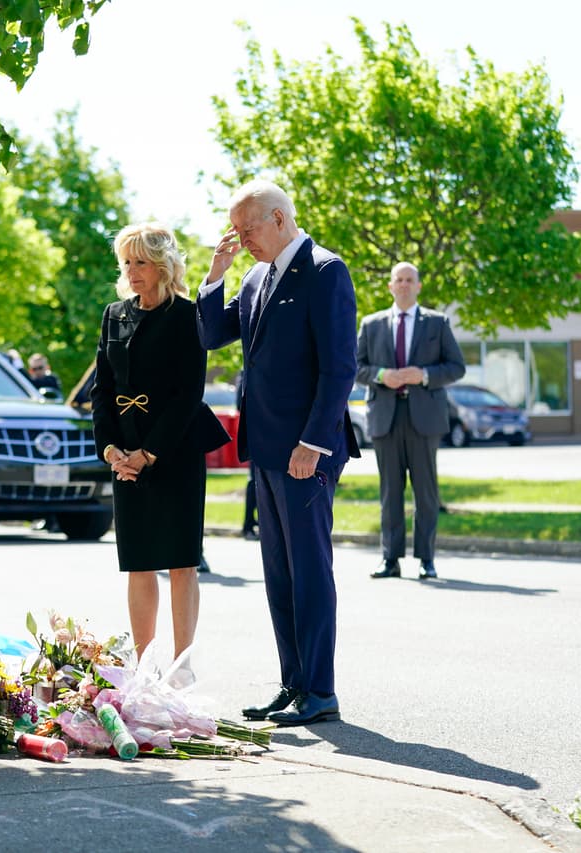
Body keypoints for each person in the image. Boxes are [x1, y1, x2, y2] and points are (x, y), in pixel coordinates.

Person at [197, 180, 358, 727]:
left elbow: (340, 368)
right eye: (236, 233)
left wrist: (313, 442)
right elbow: (211, 333)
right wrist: (215, 276)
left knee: (310, 571)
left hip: (306, 450)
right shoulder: (254, 274)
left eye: (247, 230)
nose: (241, 240)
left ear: (280, 219)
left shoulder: (325, 270)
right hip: (266, 450)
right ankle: (293, 684)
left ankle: (321, 691)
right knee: (280, 574)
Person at [91, 223, 229, 666]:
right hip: (125, 456)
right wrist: (112, 450)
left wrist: (148, 454)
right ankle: (144, 663)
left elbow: (189, 393)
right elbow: (102, 389)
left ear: (163, 266)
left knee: (181, 561)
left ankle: (181, 663)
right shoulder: (114, 314)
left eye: (141, 262)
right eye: (127, 262)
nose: (132, 271)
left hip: (174, 452)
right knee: (138, 561)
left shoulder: (188, 315)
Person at [356, 262, 465, 580]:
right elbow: (355, 366)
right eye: (398, 280)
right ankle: (390, 559)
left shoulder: (437, 322)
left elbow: (456, 367)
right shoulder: (371, 324)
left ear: (418, 286)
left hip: (424, 418)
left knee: (426, 493)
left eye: (409, 280)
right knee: (390, 491)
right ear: (390, 286)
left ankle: (426, 559)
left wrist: (426, 375)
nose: (403, 285)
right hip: (385, 417)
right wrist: (381, 375)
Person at [236, 370, 259, 541]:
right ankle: (248, 525)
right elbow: (240, 404)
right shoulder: (247, 371)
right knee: (254, 482)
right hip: (257, 436)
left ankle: (256, 523)